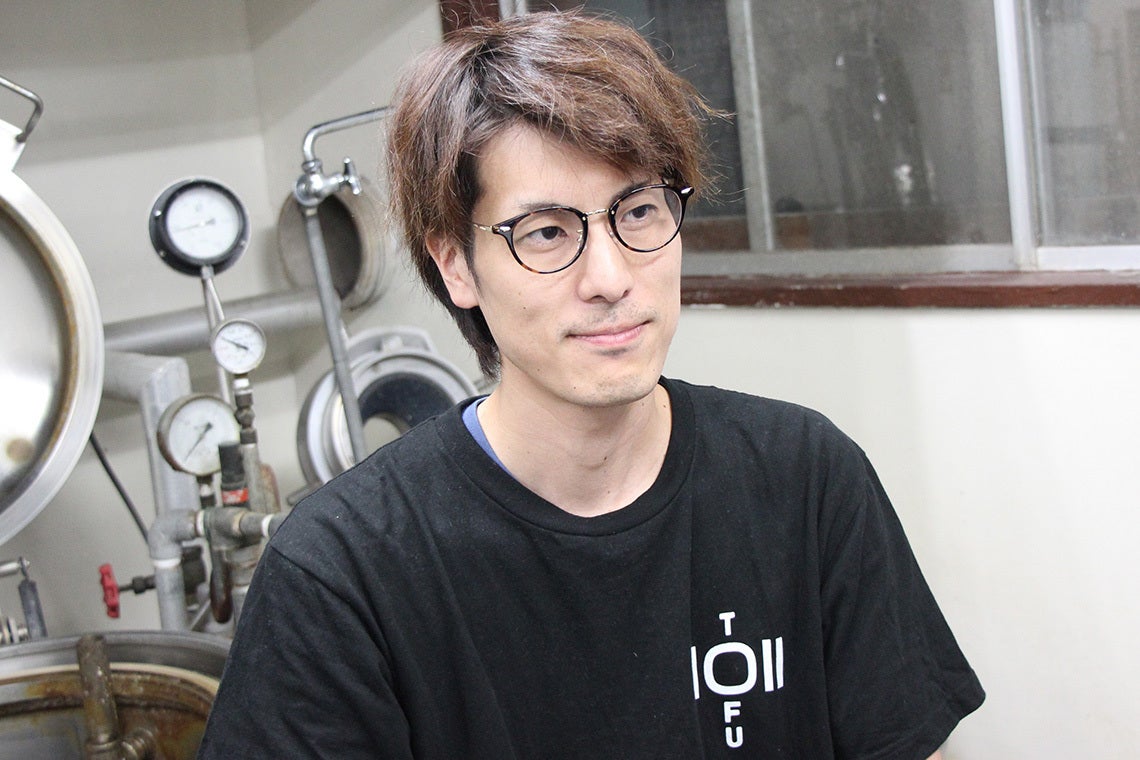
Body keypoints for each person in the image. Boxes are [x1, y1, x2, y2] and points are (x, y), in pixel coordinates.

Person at [198, 10, 983, 759]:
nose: (611, 277)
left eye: (638, 212)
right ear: (454, 265)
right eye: (546, 232)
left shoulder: (805, 480)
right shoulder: (343, 571)